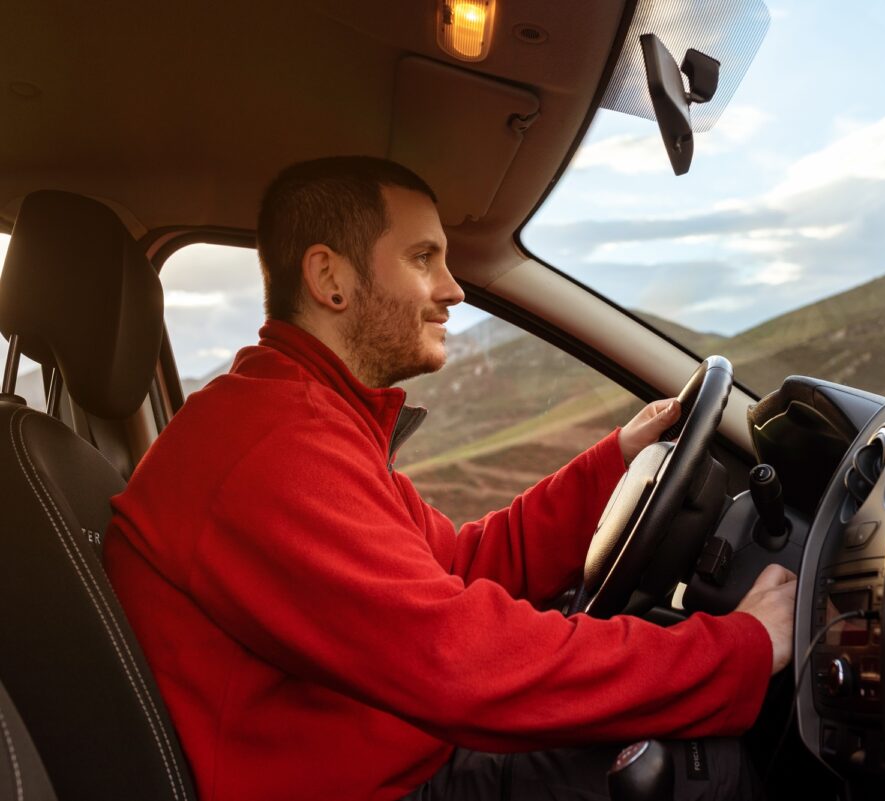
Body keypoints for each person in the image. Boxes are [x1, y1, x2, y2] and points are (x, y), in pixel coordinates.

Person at [104, 156, 798, 801]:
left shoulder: (308, 418)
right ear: (330, 279)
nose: (452, 289)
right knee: (704, 768)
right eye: (422, 258)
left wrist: (613, 460)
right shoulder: (268, 446)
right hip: (384, 784)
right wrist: (739, 650)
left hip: (405, 754)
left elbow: (460, 565)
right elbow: (460, 661)